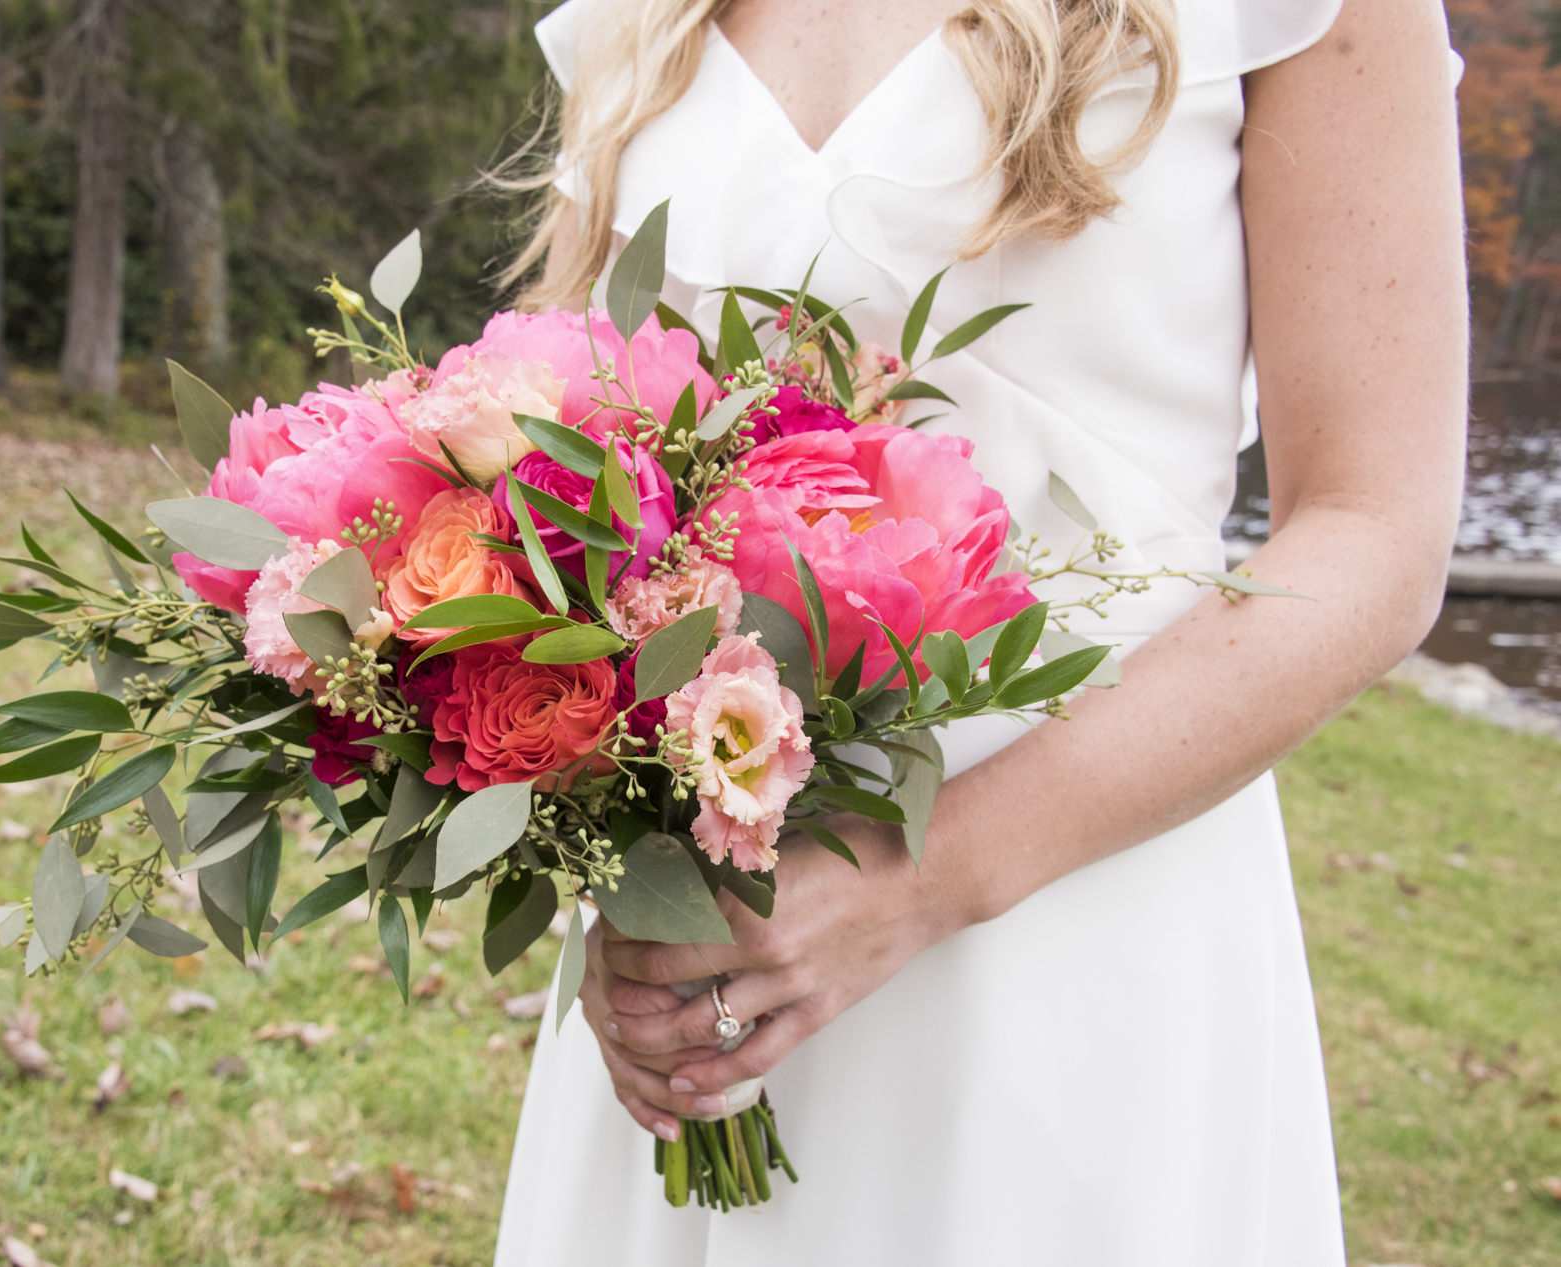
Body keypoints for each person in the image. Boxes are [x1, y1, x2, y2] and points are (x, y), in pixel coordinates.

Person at [492, 0, 1467, 1262]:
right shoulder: (639, 21)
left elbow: (1375, 533)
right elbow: (607, 470)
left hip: (1088, 911)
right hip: (720, 932)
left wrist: (924, 880)